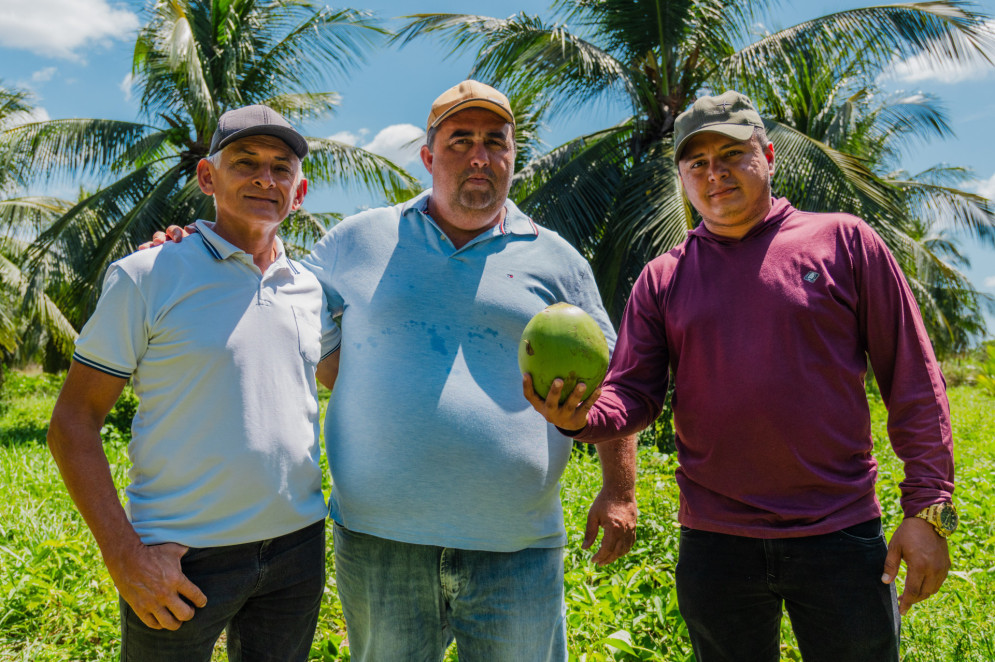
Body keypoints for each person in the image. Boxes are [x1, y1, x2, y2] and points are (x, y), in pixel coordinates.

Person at [146, 81, 638, 660]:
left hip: (518, 547)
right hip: (381, 545)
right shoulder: (356, 240)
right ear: (429, 157)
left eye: (494, 141)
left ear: (512, 155)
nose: (478, 156)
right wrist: (191, 246)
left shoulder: (556, 258)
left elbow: (614, 379)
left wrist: (620, 489)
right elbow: (270, 291)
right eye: (459, 141)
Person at [525, 90, 956, 662]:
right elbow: (633, 391)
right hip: (716, 541)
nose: (714, 173)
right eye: (696, 163)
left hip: (839, 531)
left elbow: (913, 379)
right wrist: (581, 418)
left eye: (731, 154)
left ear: (769, 155)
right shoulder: (664, 278)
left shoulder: (843, 242)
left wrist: (929, 510)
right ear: (682, 175)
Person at [48, 105, 340, 662]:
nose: (265, 177)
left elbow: (348, 382)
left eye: (282, 168)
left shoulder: (309, 288)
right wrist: (124, 557)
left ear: (298, 194)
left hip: (297, 549)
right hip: (182, 557)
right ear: (208, 177)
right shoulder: (148, 274)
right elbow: (72, 423)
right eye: (245, 162)